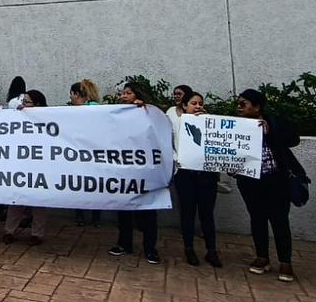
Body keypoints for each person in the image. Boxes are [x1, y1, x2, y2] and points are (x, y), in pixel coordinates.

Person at [234, 88, 301, 282]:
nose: (239, 107)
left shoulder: (274, 121)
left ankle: (285, 261)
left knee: (279, 220)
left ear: (257, 107)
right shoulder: (236, 126)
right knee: (257, 218)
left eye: (243, 104)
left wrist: (270, 131)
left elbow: (292, 139)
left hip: (275, 180)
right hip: (249, 181)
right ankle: (262, 257)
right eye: (238, 104)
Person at [112, 82, 161, 264]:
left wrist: (145, 109)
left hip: (145, 171)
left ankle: (150, 249)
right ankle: (124, 244)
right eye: (122, 93)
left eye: (128, 93)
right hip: (124, 170)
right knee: (123, 210)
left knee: (148, 212)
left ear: (137, 95)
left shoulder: (149, 112)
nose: (124, 96)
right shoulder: (116, 115)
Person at [172, 91, 223, 267]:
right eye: (193, 103)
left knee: (207, 214)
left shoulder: (212, 123)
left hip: (206, 174)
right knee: (188, 212)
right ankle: (189, 249)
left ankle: (211, 250)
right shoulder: (177, 123)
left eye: (200, 103)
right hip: (185, 174)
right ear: (184, 106)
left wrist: (209, 122)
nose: (198, 106)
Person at [3, 89, 51, 245]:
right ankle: (9, 231)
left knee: (39, 202)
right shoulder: (16, 117)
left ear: (37, 105)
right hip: (21, 165)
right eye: (23, 101)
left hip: (40, 166)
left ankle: (37, 234)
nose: (23, 105)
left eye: (27, 102)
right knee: (16, 200)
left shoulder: (48, 120)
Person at [70, 79, 103, 227]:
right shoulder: (79, 109)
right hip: (82, 153)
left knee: (88, 185)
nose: (70, 97)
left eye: (71, 94)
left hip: (90, 153)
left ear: (77, 94)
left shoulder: (92, 108)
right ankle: (89, 217)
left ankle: (84, 216)